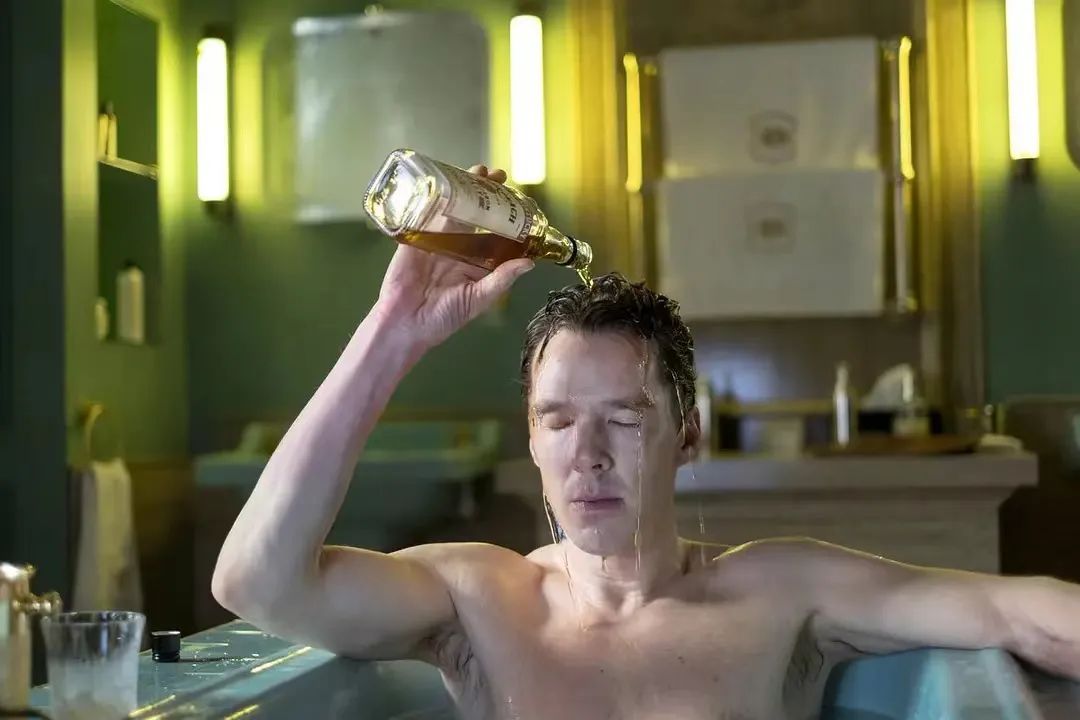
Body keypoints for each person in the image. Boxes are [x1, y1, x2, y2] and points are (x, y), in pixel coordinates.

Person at [213, 166, 1080, 719]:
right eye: (558, 420)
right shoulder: (477, 600)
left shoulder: (781, 592)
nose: (587, 452)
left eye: (625, 418)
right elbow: (255, 581)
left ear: (687, 435)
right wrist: (394, 329)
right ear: (532, 439)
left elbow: (1021, 613)